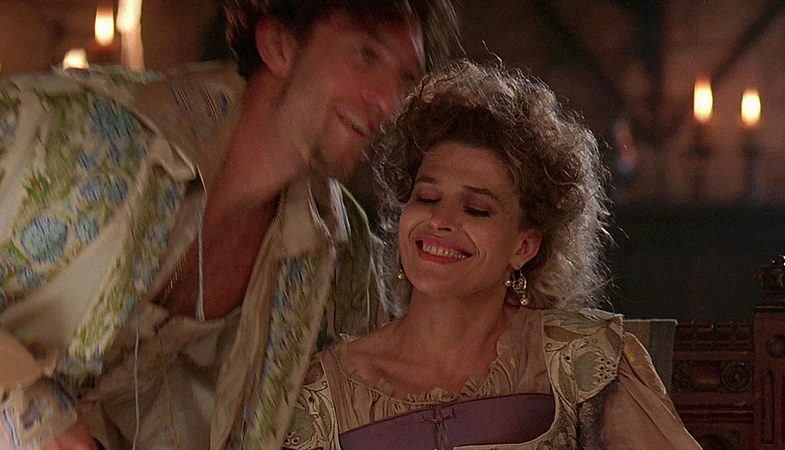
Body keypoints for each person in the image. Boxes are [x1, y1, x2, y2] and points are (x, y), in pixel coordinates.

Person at [0, 1, 459, 449]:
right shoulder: (65, 134)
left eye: (405, 79)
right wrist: (31, 410)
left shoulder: (345, 263)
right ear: (277, 44)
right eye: (365, 54)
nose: (388, 101)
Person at [282, 60, 702, 449]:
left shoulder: (583, 362)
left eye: (476, 209)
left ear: (523, 246)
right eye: (427, 198)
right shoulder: (325, 392)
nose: (440, 221)